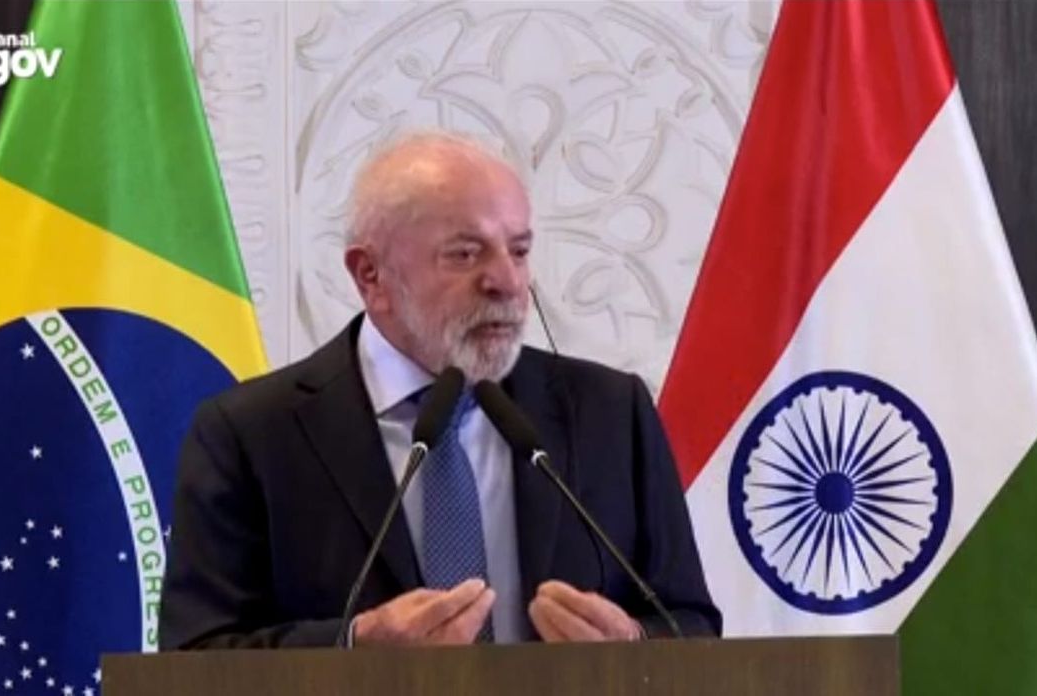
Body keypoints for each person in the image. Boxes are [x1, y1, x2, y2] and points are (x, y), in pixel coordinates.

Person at [158, 131, 721, 649]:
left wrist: (635, 645)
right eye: (465, 254)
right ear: (371, 275)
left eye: (519, 250)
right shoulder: (251, 434)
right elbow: (195, 656)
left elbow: (692, 624)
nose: (507, 282)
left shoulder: (611, 413)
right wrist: (353, 646)